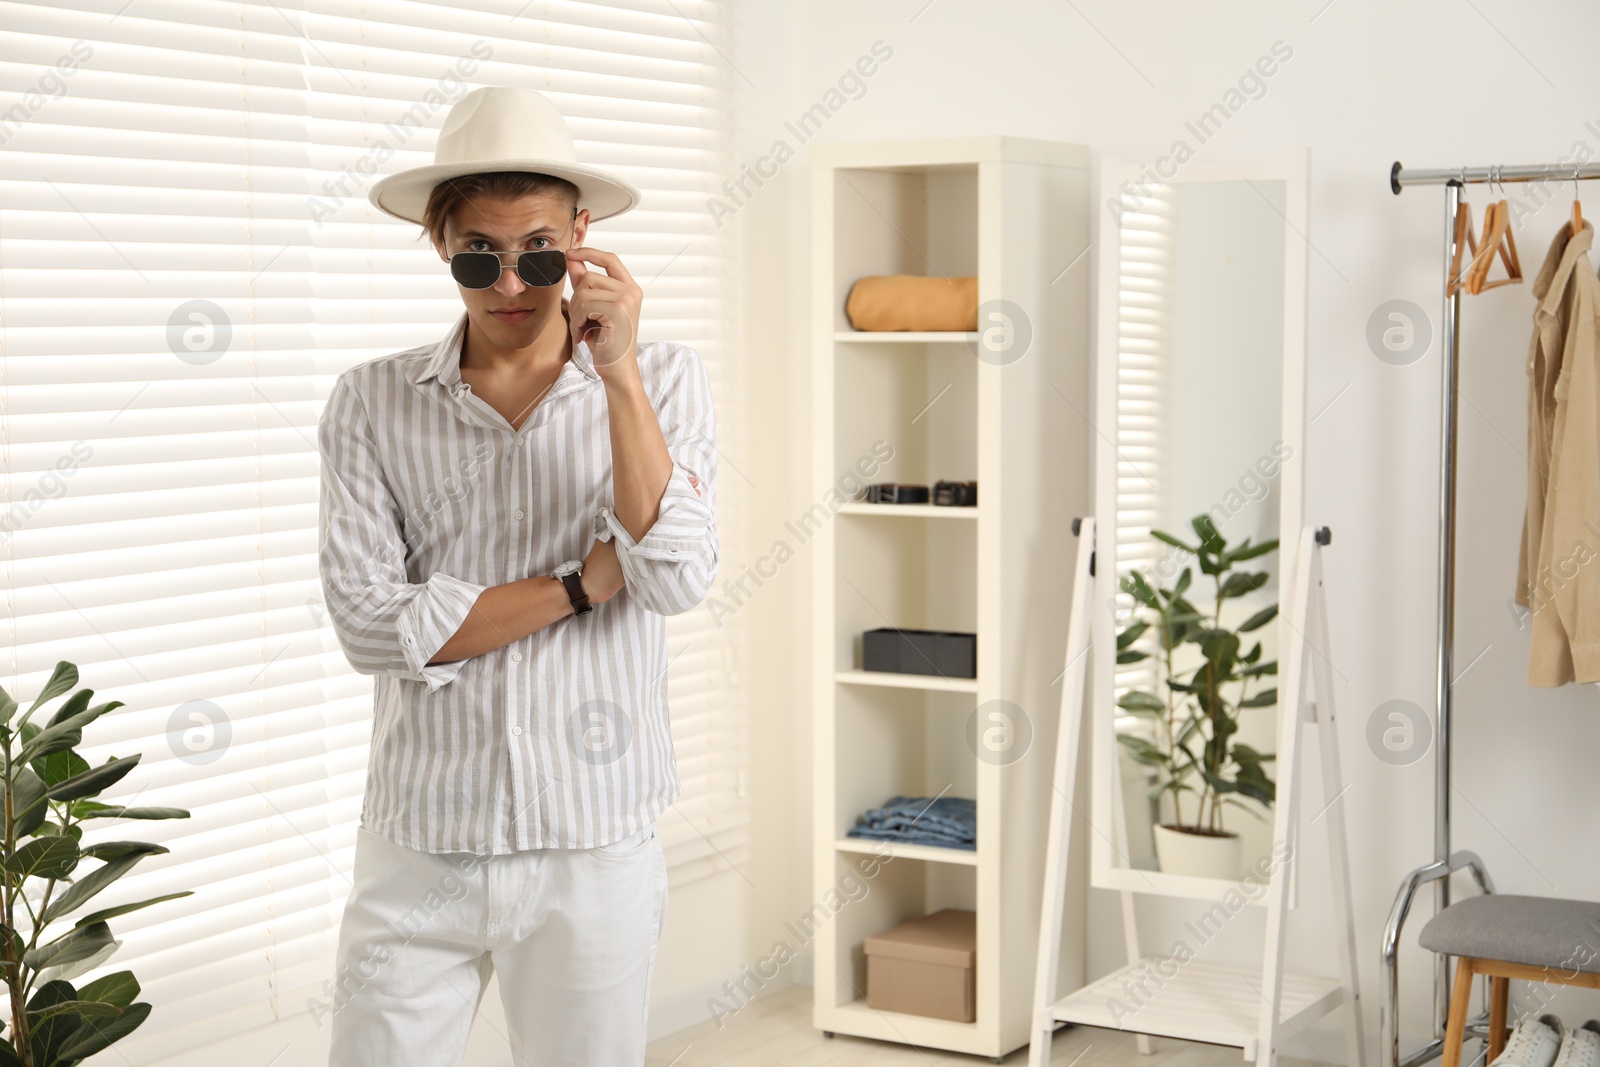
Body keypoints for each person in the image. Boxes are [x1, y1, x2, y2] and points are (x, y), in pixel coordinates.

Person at [316, 85, 718, 1067]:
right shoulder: (371, 403)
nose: (511, 285)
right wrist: (577, 586)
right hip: (421, 838)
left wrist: (615, 370)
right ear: (437, 244)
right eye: (477, 255)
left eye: (539, 252)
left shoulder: (661, 380)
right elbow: (372, 628)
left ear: (581, 238)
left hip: (590, 843)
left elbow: (670, 576)